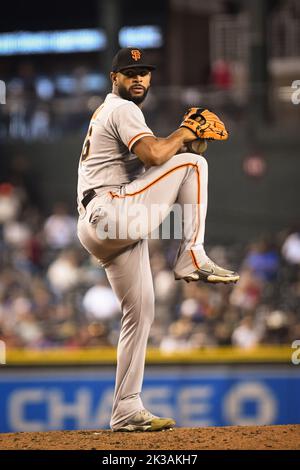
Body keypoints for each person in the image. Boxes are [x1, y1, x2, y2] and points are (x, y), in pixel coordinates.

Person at [77, 47, 239, 432]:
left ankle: (126, 409)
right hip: (110, 211)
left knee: (141, 312)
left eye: (144, 73)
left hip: (102, 226)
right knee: (195, 164)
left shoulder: (110, 113)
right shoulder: (121, 109)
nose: (138, 79)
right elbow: (153, 155)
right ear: (114, 78)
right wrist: (186, 133)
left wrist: (182, 142)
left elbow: (150, 160)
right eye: (130, 73)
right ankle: (191, 254)